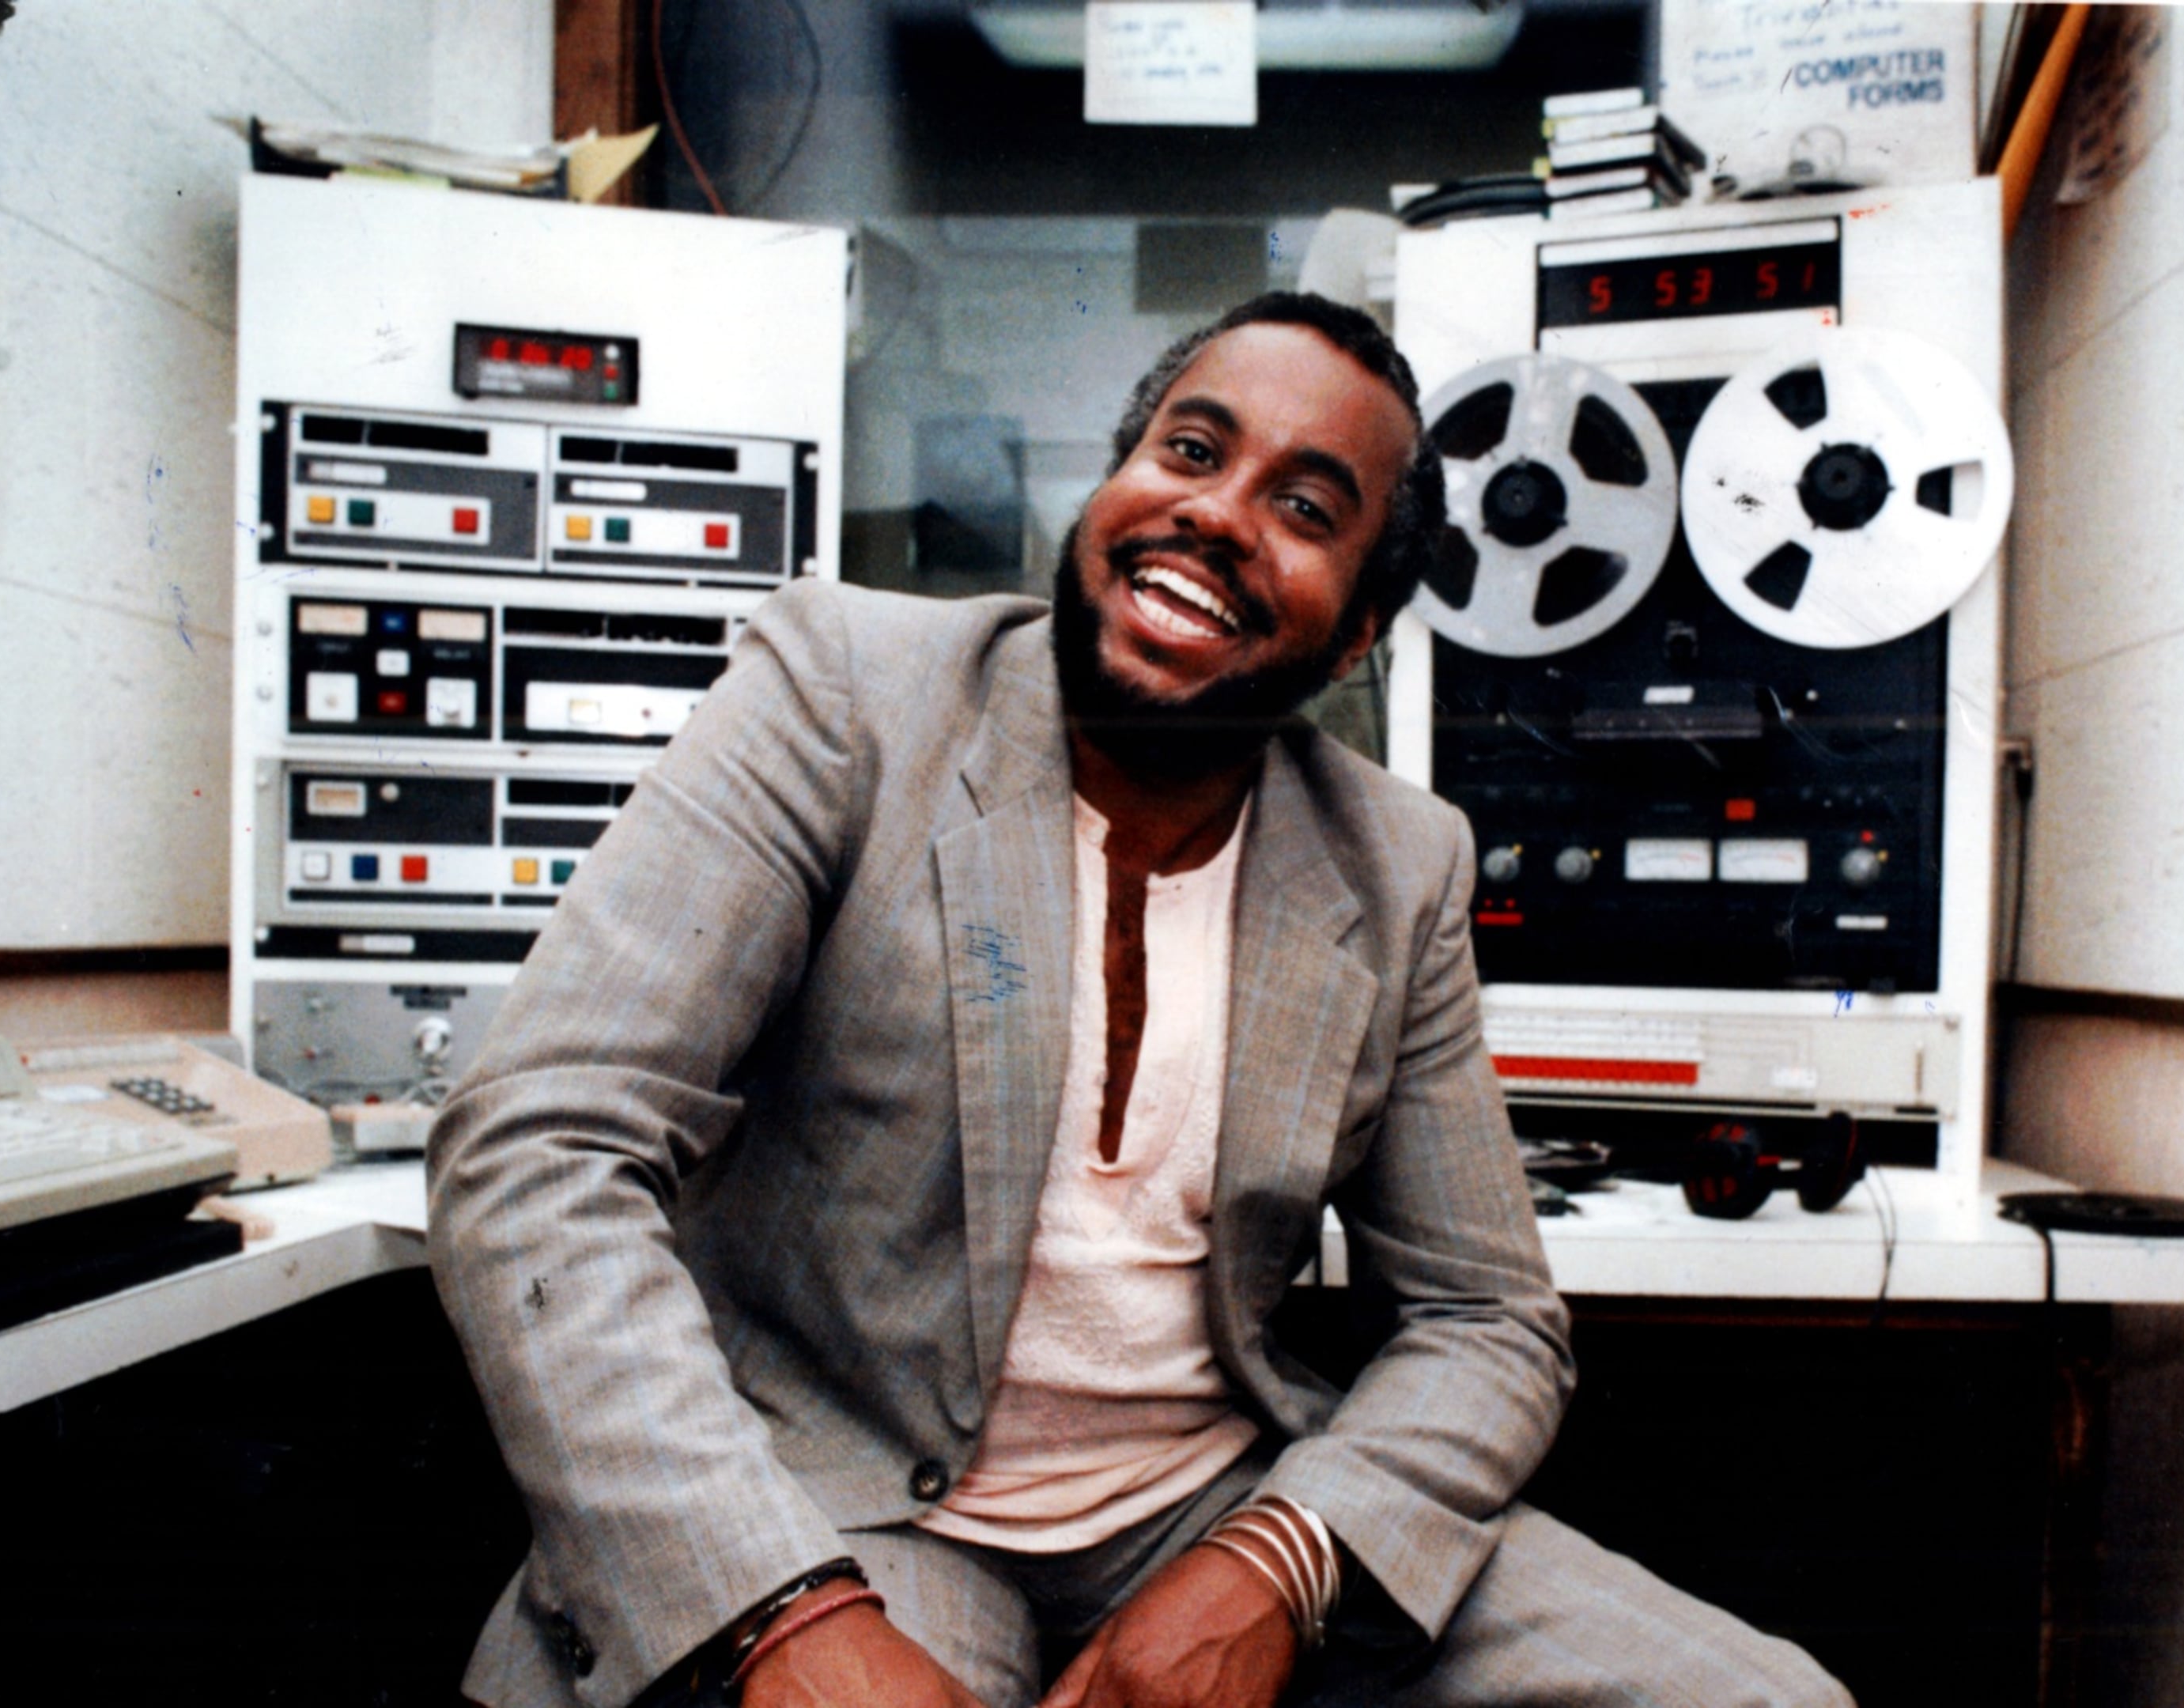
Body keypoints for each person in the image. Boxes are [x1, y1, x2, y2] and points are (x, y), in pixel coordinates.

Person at [427, 293, 1852, 1708]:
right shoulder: (849, 696)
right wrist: (779, 1612)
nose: (1219, 515)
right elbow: (541, 1148)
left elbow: (1489, 1318)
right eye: (1187, 452)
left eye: (1304, 506)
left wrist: (1282, 1557)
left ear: (1357, 636)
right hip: (851, 1493)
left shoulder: (1400, 862)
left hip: (1214, 1502)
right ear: (1112, 485)